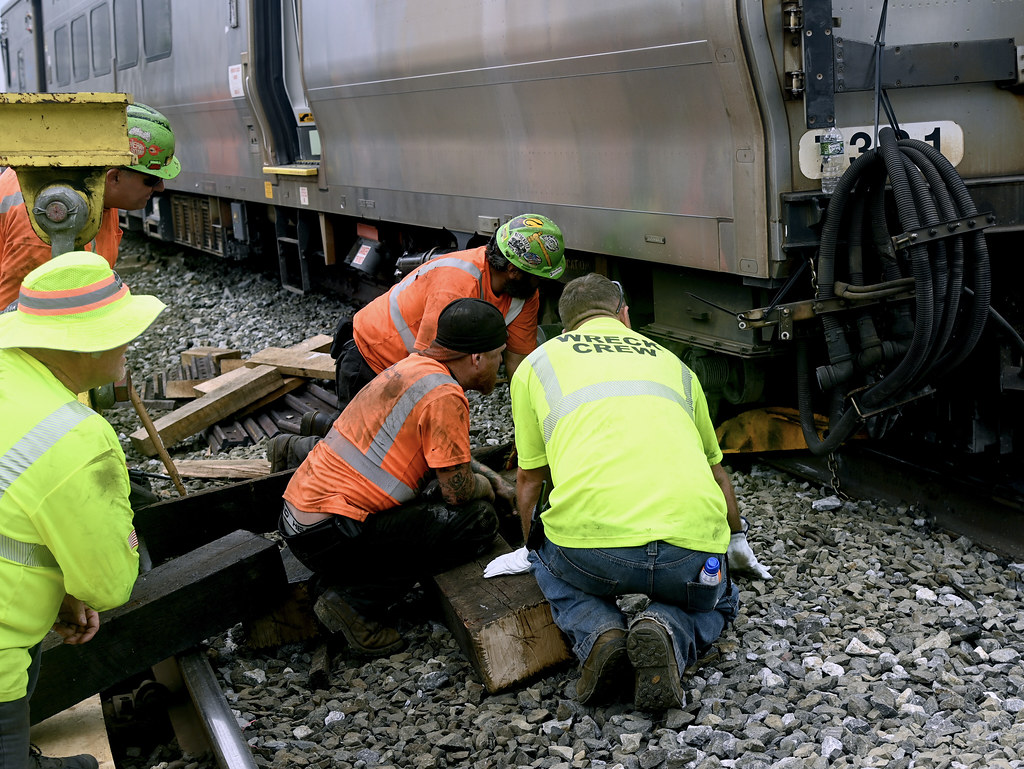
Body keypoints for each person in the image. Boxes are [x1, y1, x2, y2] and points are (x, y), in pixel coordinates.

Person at [508, 273, 770, 711]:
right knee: (721, 596)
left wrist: (532, 548)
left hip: (591, 554)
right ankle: (667, 629)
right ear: (624, 315)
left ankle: (600, 635)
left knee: (544, 558)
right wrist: (737, 541)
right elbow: (718, 474)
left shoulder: (537, 365)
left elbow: (529, 481)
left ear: (565, 324)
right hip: (688, 555)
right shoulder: (677, 365)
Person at [0, 252, 166, 768]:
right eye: (118, 332)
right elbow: (108, 587)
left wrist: (51, 600)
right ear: (81, 343)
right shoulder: (74, 438)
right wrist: (75, 587)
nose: (127, 344)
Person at [280, 298, 515, 656]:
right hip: (332, 538)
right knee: (478, 520)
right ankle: (352, 604)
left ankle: (348, 581)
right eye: (499, 354)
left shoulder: (414, 369)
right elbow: (458, 490)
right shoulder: (444, 396)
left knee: (433, 509)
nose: (501, 363)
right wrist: (489, 488)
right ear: (476, 358)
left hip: (305, 525)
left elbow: (450, 462)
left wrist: (493, 479)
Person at [333, 213, 566, 407]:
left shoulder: (524, 295)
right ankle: (304, 439)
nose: (541, 285)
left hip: (407, 367)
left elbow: (519, 366)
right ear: (514, 272)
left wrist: (526, 432)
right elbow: (429, 368)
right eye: (539, 278)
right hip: (370, 360)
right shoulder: (457, 285)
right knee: (356, 454)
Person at [0, 103, 182, 307]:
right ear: (114, 178)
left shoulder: (95, 192)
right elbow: (13, 319)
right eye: (152, 180)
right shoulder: (48, 223)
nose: (161, 188)